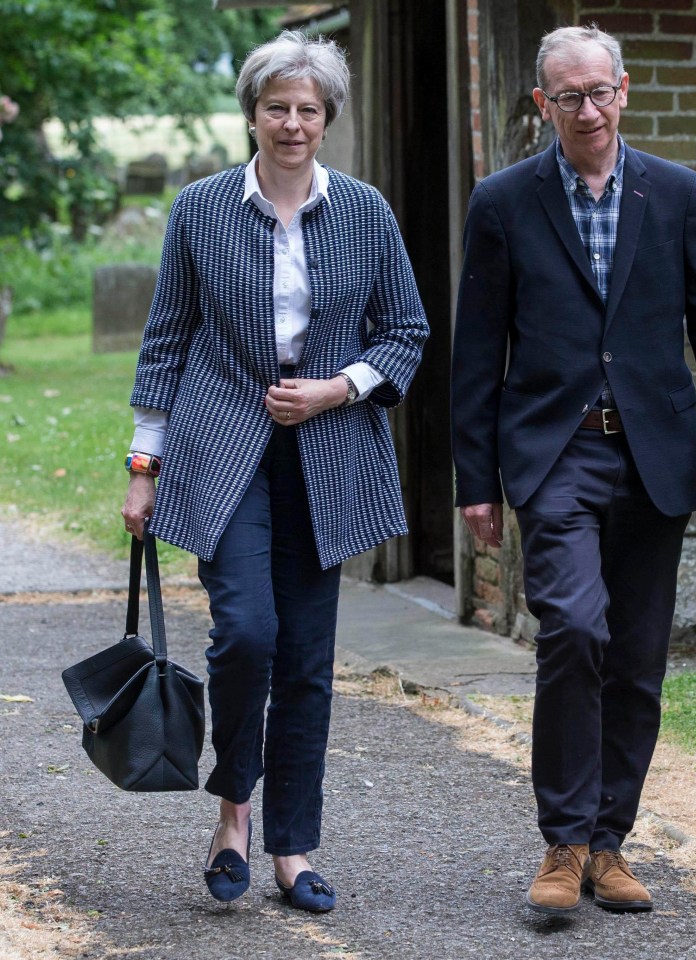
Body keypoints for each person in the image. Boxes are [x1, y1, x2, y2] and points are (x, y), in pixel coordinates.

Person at [450, 24, 696, 916]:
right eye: (568, 97)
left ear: (623, 90)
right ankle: (562, 842)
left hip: (653, 458)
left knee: (635, 659)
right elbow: (478, 353)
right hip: (555, 454)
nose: (587, 111)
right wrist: (477, 480)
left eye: (600, 93)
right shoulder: (503, 201)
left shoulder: (677, 193)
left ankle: (609, 844)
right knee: (574, 630)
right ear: (542, 104)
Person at [121, 30, 428, 911]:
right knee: (248, 634)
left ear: (326, 119)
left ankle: (292, 849)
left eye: (307, 110)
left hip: (327, 458)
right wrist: (144, 464)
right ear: (251, 113)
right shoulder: (202, 208)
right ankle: (232, 815)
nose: (291, 123)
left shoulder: (366, 211)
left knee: (305, 659)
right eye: (275, 108)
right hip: (223, 452)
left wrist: (337, 388)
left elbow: (403, 332)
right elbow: (166, 340)